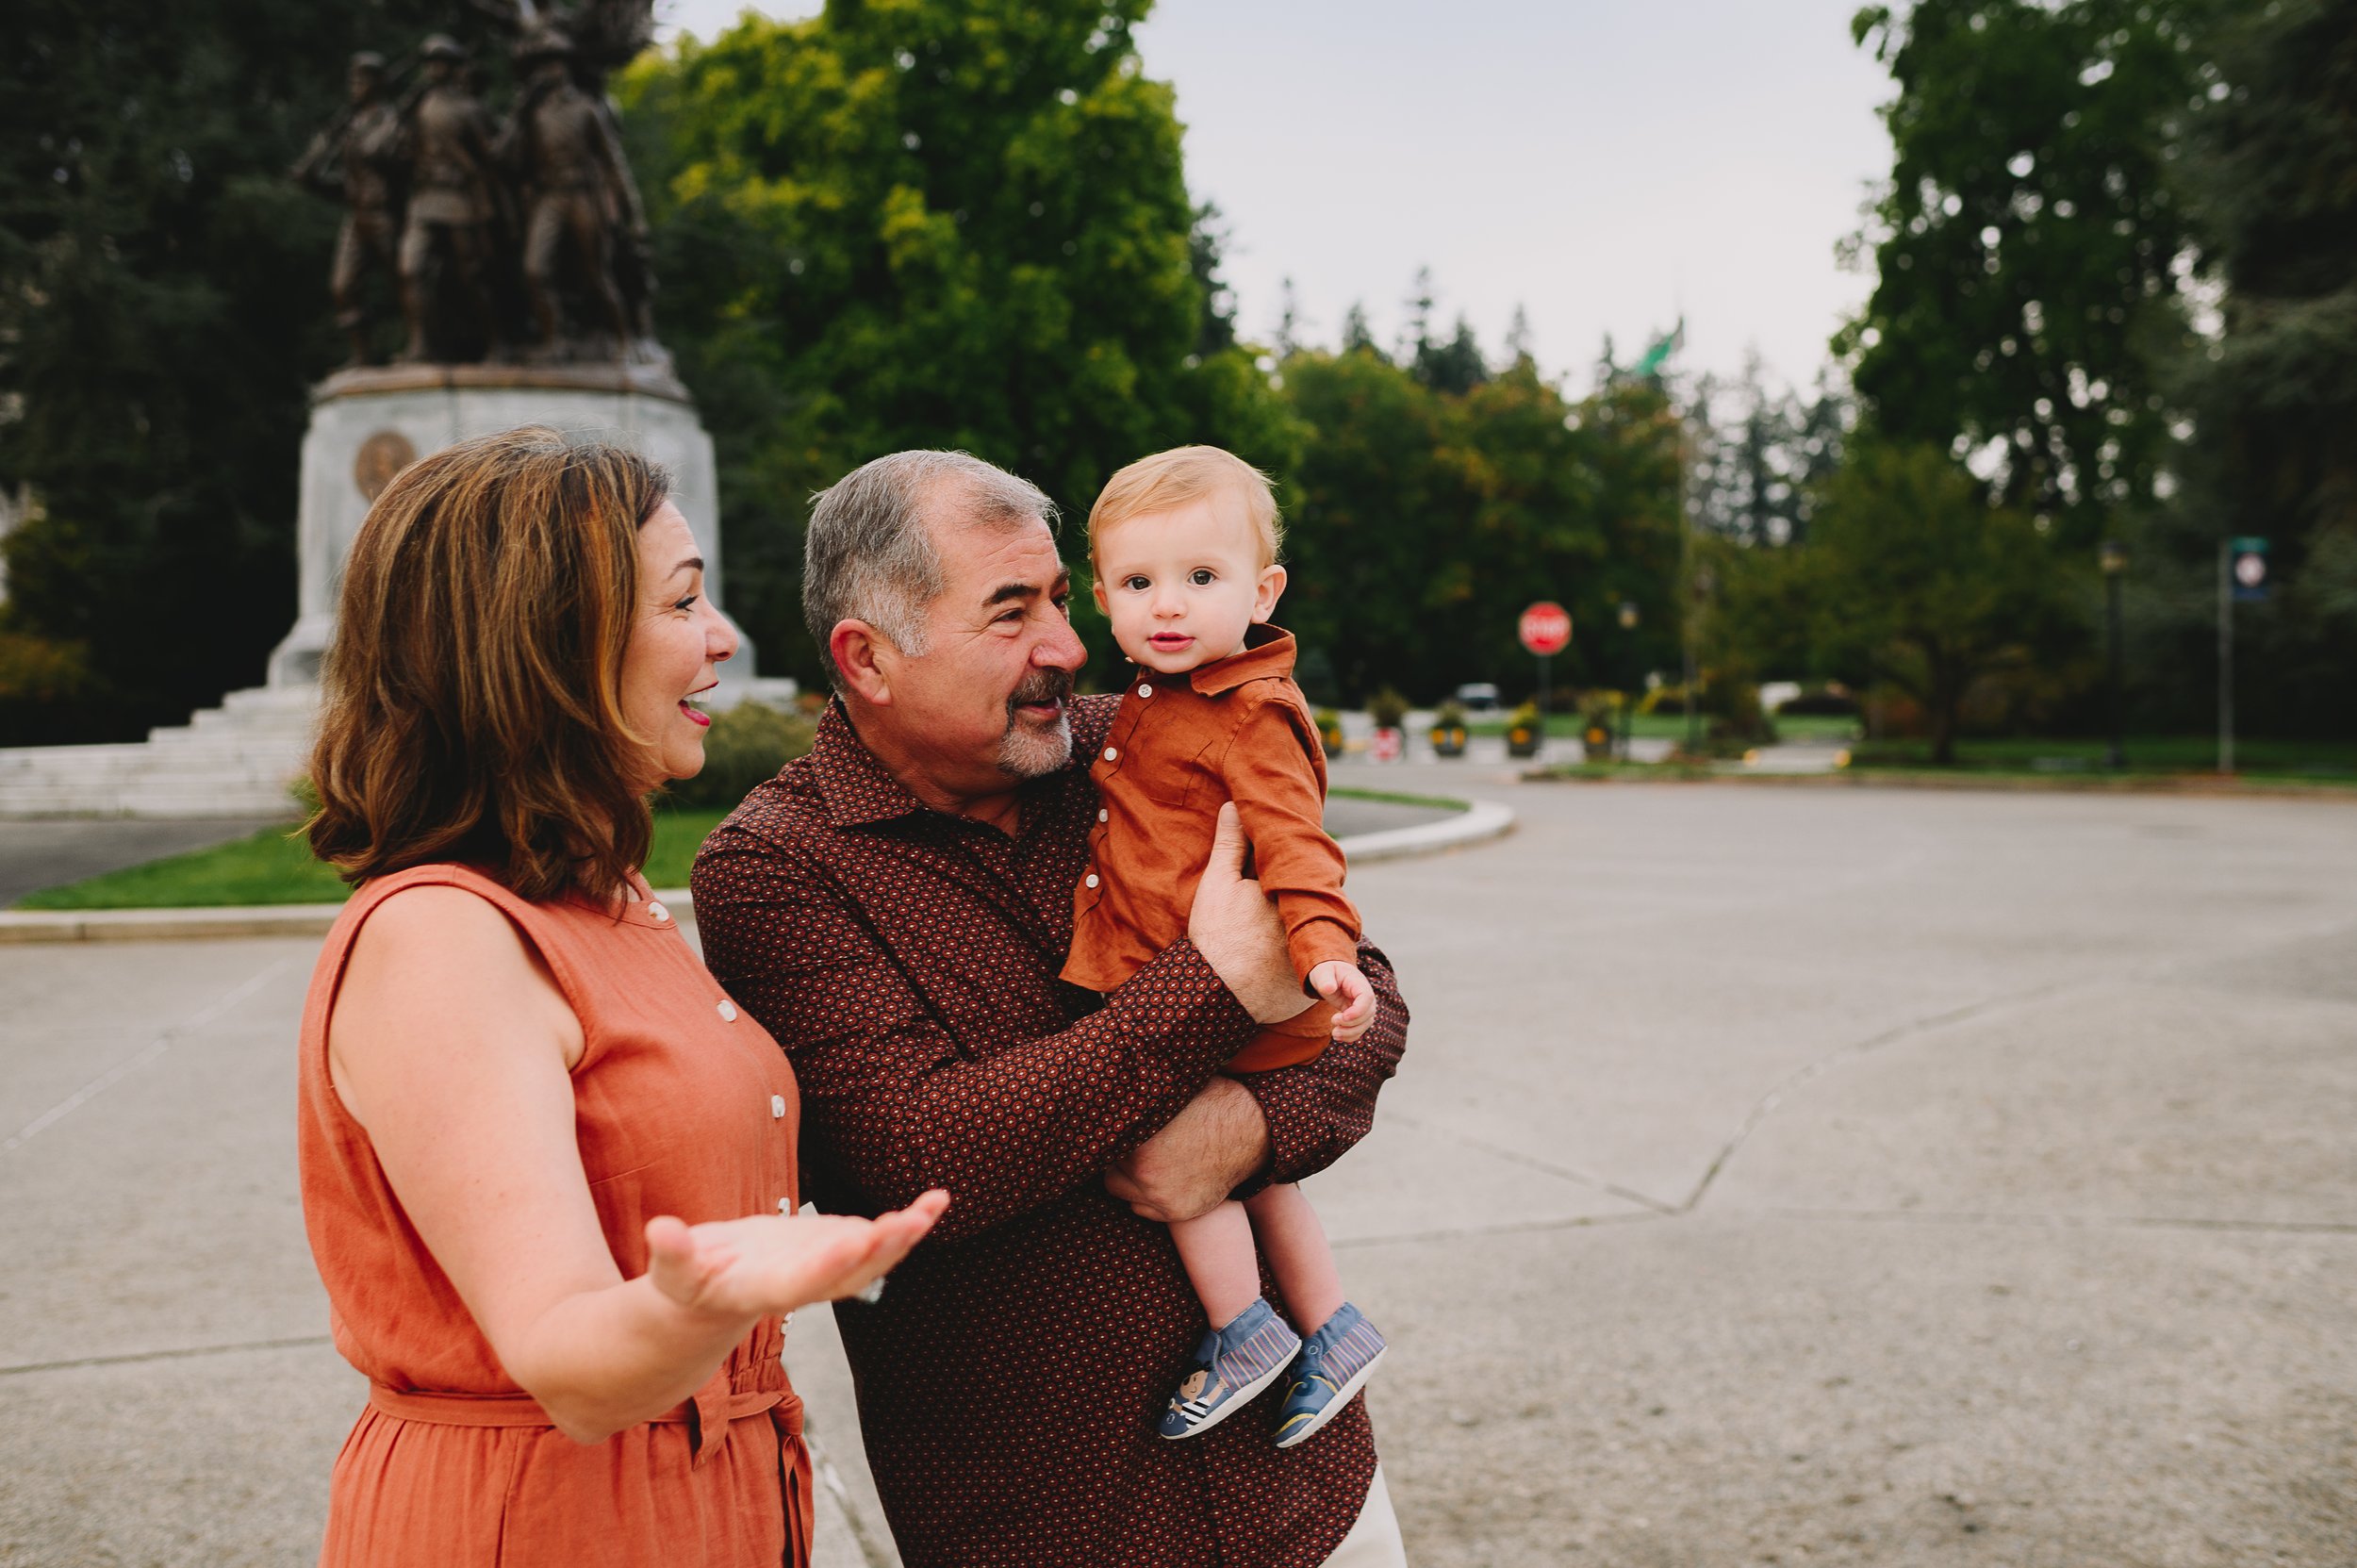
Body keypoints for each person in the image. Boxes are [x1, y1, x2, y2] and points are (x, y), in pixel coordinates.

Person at [692, 450, 1412, 1567]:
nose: (1070, 648)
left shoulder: (1136, 738)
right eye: (1011, 611)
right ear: (868, 657)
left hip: (1309, 1491)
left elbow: (1366, 989)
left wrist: (1245, 1131)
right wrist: (1210, 988)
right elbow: (917, 1152)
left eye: (1065, 599)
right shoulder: (776, 867)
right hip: (1060, 1522)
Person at [296, 426, 946, 1567]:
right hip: (549, 1519)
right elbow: (569, 1361)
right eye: (682, 602)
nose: (723, 637)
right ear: (546, 642)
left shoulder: (607, 897)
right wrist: (712, 1301)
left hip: (708, 1496)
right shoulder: (442, 937)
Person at [1062, 445, 1389, 1449]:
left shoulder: (1251, 713)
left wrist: (1326, 949)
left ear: (1262, 591)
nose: (1168, 604)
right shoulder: (1163, 698)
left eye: (1200, 578)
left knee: (1179, 1155)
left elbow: (1297, 845)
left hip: (1224, 989)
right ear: (1103, 598)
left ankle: (1241, 1326)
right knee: (1259, 1171)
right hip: (1191, 980)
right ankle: (1331, 1324)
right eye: (1138, 581)